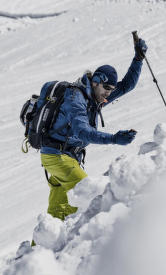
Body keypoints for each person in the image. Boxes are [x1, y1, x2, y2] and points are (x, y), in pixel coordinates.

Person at [40, 39, 148, 220]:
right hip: (58, 156)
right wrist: (114, 138)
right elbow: (82, 131)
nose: (108, 93)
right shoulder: (76, 99)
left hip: (66, 157)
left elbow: (126, 85)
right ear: (96, 81)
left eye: (111, 89)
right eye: (106, 88)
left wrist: (138, 59)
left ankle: (40, 248)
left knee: (57, 217)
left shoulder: (95, 97)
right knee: (91, 198)